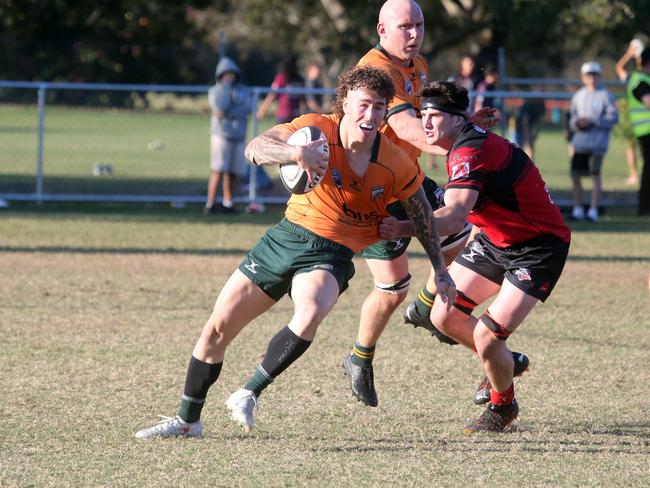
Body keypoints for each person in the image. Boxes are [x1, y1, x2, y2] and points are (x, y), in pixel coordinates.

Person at [133, 65, 456, 438]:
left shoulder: (394, 162)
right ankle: (188, 420)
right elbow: (256, 148)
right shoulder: (316, 129)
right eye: (364, 105)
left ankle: (249, 392)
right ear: (346, 102)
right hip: (284, 240)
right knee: (217, 330)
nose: (371, 115)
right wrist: (294, 152)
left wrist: (440, 269)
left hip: (331, 254)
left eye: (380, 107)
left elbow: (424, 215)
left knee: (311, 311)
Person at [379, 80, 571, 432]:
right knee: (444, 315)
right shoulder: (463, 136)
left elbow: (453, 217)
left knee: (487, 336)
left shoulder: (469, 151)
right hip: (497, 240)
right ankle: (502, 364)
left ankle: (503, 406)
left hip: (538, 247)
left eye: (435, 116)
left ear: (457, 119)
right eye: (423, 115)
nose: (426, 124)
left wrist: (401, 227)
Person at [343, 0, 498, 408]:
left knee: (460, 236)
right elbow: (409, 129)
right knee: (392, 289)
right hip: (374, 187)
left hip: (408, 179)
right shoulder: (376, 72)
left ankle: (426, 310)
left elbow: (429, 116)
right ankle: (359, 357)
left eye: (419, 26)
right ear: (381, 29)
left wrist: (465, 119)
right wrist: (464, 133)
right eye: (405, 27)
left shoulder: (420, 65)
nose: (414, 35)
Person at [568, 61, 619, 222]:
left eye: (595, 75)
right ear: (583, 78)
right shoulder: (579, 95)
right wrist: (577, 124)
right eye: (589, 76)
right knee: (576, 176)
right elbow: (572, 118)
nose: (592, 79)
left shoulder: (606, 95)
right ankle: (578, 209)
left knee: (595, 175)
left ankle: (593, 210)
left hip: (597, 145)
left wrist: (593, 121)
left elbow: (613, 118)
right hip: (580, 143)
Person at [204, 57, 252, 214]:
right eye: (226, 74)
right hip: (221, 136)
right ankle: (210, 204)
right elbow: (219, 109)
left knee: (233, 172)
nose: (229, 77)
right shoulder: (215, 91)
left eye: (232, 74)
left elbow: (248, 108)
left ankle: (228, 203)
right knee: (218, 170)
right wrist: (226, 91)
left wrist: (230, 112)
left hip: (238, 136)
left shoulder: (242, 91)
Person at [617, 41, 650, 207]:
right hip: (645, 129)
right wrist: (629, 54)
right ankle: (644, 205)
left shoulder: (643, 78)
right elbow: (619, 69)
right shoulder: (637, 79)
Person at [515, 92, 546, 160]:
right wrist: (527, 137)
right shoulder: (527, 106)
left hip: (530, 129)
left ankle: (530, 165)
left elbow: (540, 122)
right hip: (520, 129)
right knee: (522, 150)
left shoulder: (541, 106)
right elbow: (524, 122)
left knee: (530, 148)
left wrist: (535, 134)